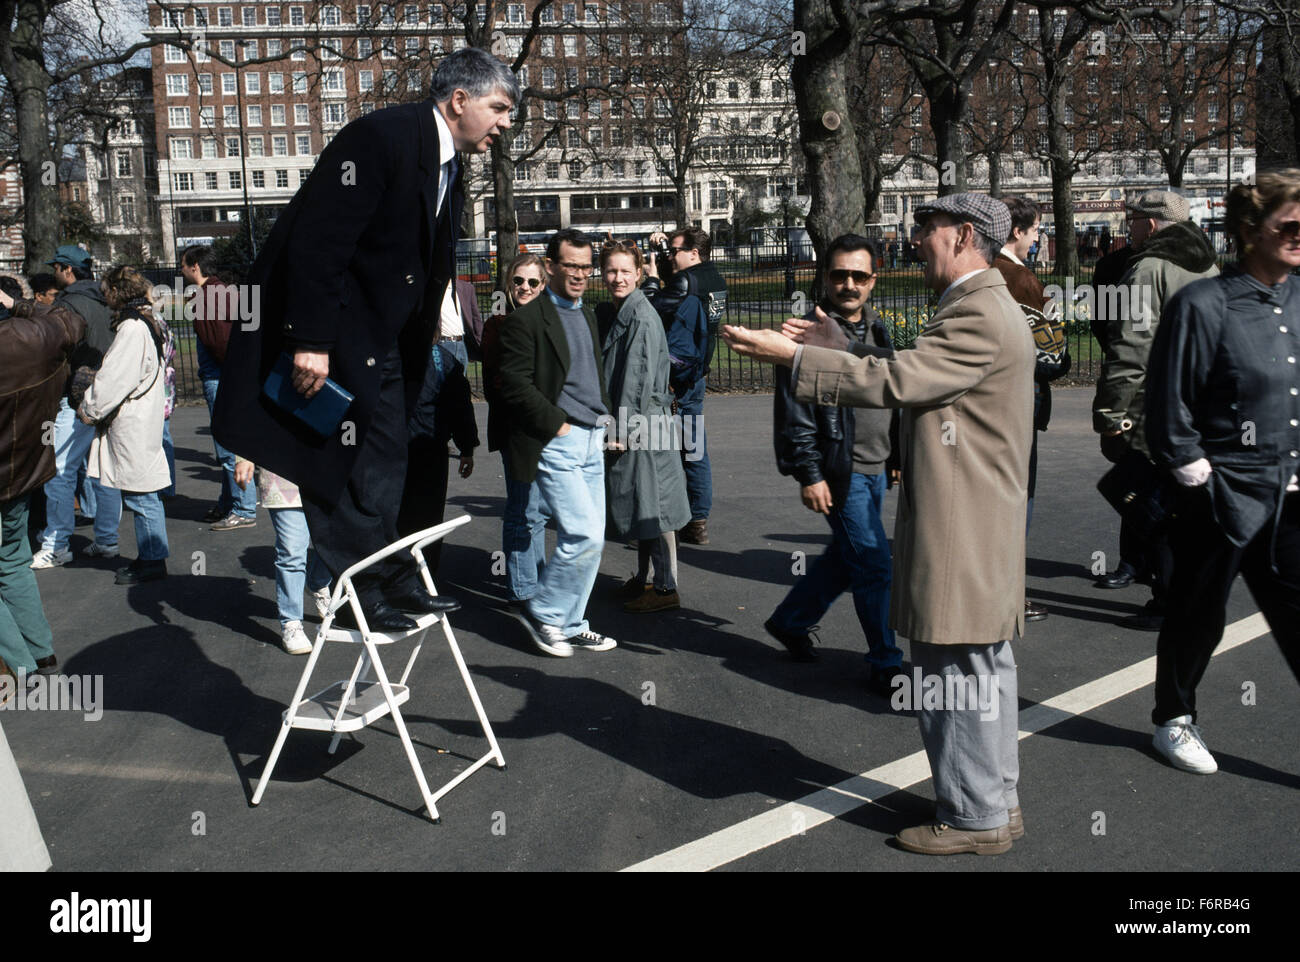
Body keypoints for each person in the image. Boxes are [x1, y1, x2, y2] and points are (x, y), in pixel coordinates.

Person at [723, 193, 1032, 856]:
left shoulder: (978, 309)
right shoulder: (984, 303)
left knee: (953, 673)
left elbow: (902, 382)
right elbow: (911, 375)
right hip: (977, 522)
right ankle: (994, 805)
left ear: (964, 235)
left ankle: (974, 819)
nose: (914, 242)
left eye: (926, 230)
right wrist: (838, 344)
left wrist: (795, 360)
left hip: (962, 527)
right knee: (981, 669)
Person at [213, 48, 517, 632]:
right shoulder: (381, 137)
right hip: (340, 335)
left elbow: (425, 261)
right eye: (498, 108)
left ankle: (393, 577)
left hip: (389, 343)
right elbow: (319, 242)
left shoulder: (449, 161)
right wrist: (310, 340)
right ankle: (361, 589)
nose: (506, 123)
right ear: (459, 101)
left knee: (387, 460)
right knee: (335, 457)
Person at [1143, 172, 1300, 774]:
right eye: (1288, 225)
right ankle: (1172, 720)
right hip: (1221, 495)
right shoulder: (1202, 303)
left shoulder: (1297, 300)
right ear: (1248, 230)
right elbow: (1168, 405)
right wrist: (1198, 478)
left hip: (1288, 496)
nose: (1297, 236)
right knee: (1197, 616)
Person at [763, 235, 905, 693]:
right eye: (839, 275)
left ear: (872, 281)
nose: (849, 284)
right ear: (825, 278)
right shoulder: (806, 335)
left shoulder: (877, 329)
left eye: (858, 276)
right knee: (873, 562)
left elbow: (894, 394)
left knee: (846, 559)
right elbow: (794, 413)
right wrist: (809, 473)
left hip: (876, 465)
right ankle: (885, 662)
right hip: (840, 470)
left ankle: (791, 620)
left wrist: (897, 454)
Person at [1093, 190, 1219, 631]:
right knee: (1183, 504)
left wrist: (1110, 417)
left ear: (1151, 223)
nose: (1129, 227)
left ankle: (1170, 602)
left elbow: (1130, 350)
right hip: (1200, 402)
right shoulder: (1206, 263)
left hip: (1156, 405)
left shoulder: (1148, 268)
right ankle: (1183, 595)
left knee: (1154, 506)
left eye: (1133, 220)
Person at [498, 229, 617, 656]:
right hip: (559, 441)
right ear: (550, 266)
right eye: (572, 265)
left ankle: (571, 621)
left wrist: (604, 418)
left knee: (594, 539)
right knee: (581, 534)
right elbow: (512, 384)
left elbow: (590, 376)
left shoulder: (585, 314)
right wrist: (558, 425)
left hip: (592, 438)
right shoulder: (525, 320)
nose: (581, 274)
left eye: (587, 266)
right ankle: (545, 612)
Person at [597, 240, 691, 613]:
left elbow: (636, 381)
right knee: (643, 503)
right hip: (644, 423)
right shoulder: (629, 310)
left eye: (624, 271)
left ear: (639, 274)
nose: (617, 277)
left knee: (657, 507)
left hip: (642, 426)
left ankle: (665, 588)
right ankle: (646, 578)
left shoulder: (639, 315)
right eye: (611, 270)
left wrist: (620, 430)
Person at [0, 275, 83, 681]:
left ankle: (22, 663)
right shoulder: (36, 339)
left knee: (12, 561)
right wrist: (16, 304)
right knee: (12, 561)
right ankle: (39, 652)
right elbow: (68, 319)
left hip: (15, 474)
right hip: (21, 476)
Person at [994, 196, 1070, 623]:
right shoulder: (1021, 280)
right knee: (1020, 501)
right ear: (1017, 231)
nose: (1038, 236)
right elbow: (1048, 355)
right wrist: (1063, 359)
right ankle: (1011, 595)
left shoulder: (981, 271)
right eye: (1036, 229)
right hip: (1022, 400)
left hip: (988, 402)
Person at [77, 267, 172, 585]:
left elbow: (115, 378)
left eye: (106, 291)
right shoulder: (149, 319)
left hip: (133, 419)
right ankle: (150, 557)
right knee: (143, 491)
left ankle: (152, 560)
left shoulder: (132, 326)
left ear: (116, 292)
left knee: (141, 494)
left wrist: (89, 408)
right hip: (143, 415)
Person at [30, 245, 122, 569]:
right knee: (104, 469)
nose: (54, 272)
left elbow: (54, 349)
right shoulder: (108, 301)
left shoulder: (69, 304)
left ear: (68, 271)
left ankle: (57, 543)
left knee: (59, 469)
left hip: (78, 396)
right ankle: (108, 538)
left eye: (57, 267)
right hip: (112, 393)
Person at [644, 227, 726, 545]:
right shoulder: (714, 279)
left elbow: (653, 306)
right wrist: (665, 244)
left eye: (675, 250)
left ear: (693, 253)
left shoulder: (686, 282)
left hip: (676, 376)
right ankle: (698, 519)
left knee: (662, 448)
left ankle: (667, 515)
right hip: (698, 369)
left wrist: (651, 279)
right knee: (694, 446)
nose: (670, 256)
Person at [483, 253, 548, 603]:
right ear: (509, 284)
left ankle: (531, 579)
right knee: (523, 511)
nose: (525, 287)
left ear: (543, 285)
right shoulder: (498, 325)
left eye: (533, 282)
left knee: (535, 512)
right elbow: (499, 384)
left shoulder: (551, 322)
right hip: (516, 430)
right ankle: (523, 590)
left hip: (545, 430)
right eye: (518, 281)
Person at [184, 245, 257, 529]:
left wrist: (231, 370)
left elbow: (218, 342)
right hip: (228, 371)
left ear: (195, 266)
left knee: (228, 443)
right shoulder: (227, 291)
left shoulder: (204, 297)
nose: (181, 270)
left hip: (220, 375)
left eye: (184, 265)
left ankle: (244, 507)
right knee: (225, 439)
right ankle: (230, 502)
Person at [397, 338, 479, 574]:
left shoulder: (394, 354)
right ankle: (424, 573)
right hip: (428, 448)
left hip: (399, 449)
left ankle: (398, 573)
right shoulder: (443, 360)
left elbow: (459, 407)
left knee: (399, 514)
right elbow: (460, 408)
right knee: (428, 517)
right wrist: (466, 448)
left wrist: (467, 447)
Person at [234, 458, 332, 655]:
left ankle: (317, 582)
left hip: (329, 471)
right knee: (292, 550)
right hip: (283, 472)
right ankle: (291, 622)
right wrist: (243, 456)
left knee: (335, 542)